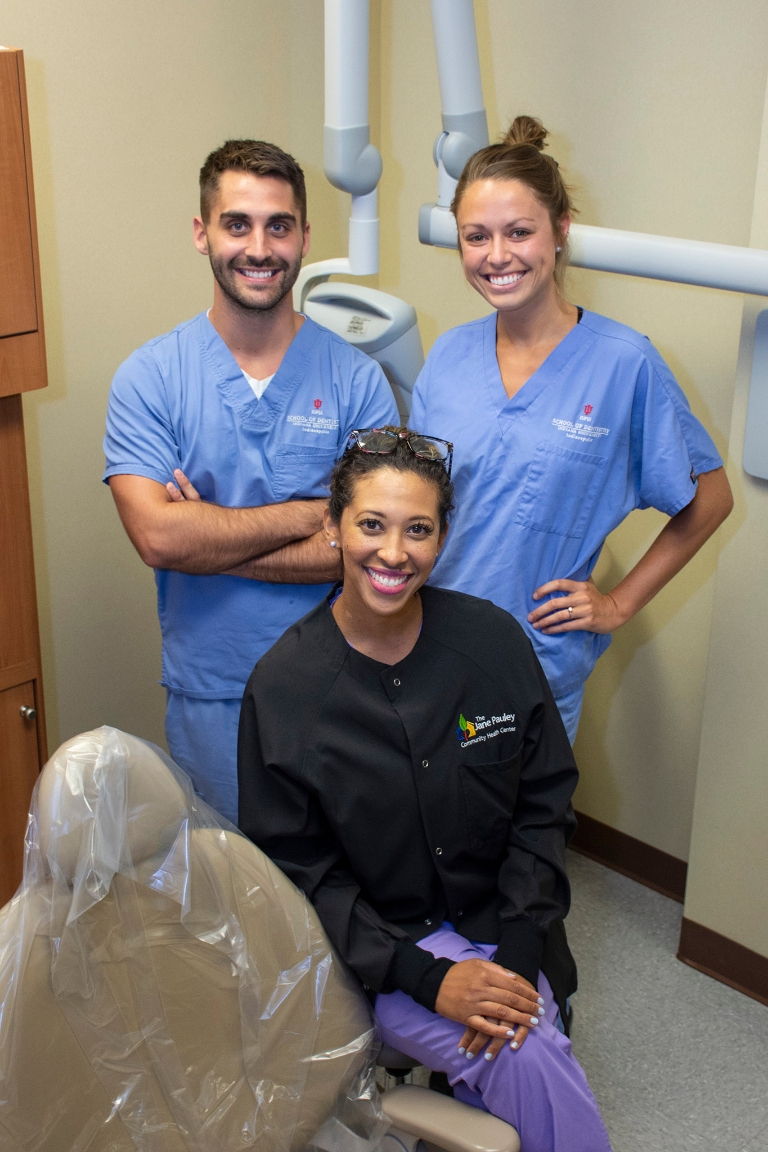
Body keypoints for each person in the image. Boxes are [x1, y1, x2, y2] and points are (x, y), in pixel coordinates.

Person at [238, 428, 612, 1152]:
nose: (393, 552)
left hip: (507, 929)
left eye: (418, 529)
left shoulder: (491, 644)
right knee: (525, 1049)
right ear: (332, 526)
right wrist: (429, 978)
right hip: (384, 955)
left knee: (520, 1032)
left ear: (443, 536)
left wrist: (516, 958)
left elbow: (543, 809)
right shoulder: (285, 691)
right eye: (370, 524)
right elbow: (305, 880)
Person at [410, 116, 733, 741]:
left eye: (519, 232)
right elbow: (421, 501)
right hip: (425, 647)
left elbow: (710, 499)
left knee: (510, 832)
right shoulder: (448, 357)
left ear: (560, 231)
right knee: (419, 831)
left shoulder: (624, 362)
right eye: (476, 236)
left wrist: (617, 604)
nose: (496, 256)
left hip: (533, 667)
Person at [103, 140, 398, 822]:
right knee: (229, 896)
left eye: (279, 225)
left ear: (303, 237)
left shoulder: (357, 380)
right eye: (237, 224)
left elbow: (371, 551)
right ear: (202, 232)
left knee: (339, 893)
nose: (259, 247)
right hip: (213, 696)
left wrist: (211, 534)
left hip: (341, 685)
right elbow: (159, 536)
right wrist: (310, 515)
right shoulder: (151, 379)